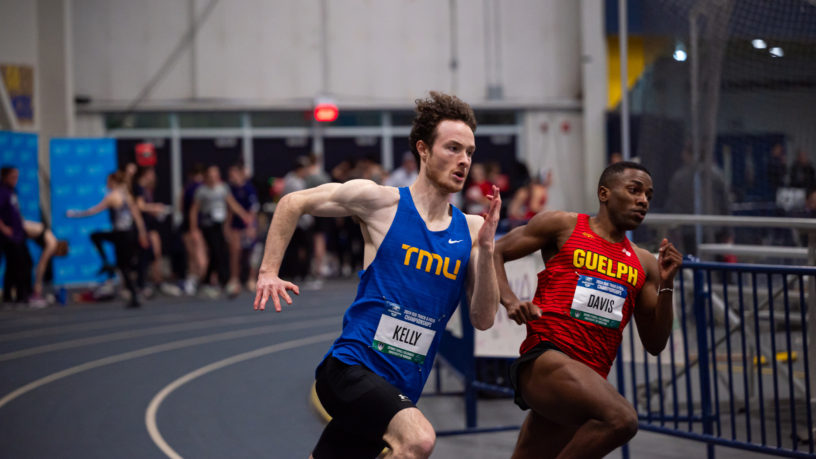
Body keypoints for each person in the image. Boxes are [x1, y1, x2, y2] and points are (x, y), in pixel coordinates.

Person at [254, 91, 501, 459]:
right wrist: (268, 271)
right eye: (452, 148)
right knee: (418, 440)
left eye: (469, 152)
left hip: (400, 388)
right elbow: (294, 202)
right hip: (351, 369)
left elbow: (483, 319)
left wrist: (488, 252)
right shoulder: (381, 204)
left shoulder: (471, 231)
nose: (463, 160)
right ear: (423, 149)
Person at [493, 161, 682, 459]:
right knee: (622, 419)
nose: (643, 200)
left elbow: (655, 344)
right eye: (634, 190)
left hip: (588, 376)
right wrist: (510, 300)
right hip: (547, 359)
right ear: (604, 194)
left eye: (648, 195)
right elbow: (496, 251)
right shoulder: (563, 226)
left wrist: (668, 286)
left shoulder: (645, 263)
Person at [67, 171, 149, 308]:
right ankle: (134, 294)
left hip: (121, 235)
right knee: (124, 267)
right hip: (129, 234)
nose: (106, 184)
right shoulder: (127, 194)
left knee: (96, 237)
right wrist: (142, 233)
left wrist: (75, 214)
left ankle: (107, 263)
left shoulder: (113, 196)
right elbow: (137, 216)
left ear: (112, 182)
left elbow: (93, 210)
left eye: (108, 182)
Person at [189, 165, 252, 298]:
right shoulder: (202, 191)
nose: (213, 177)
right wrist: (194, 229)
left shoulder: (222, 188)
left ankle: (219, 282)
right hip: (208, 225)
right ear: (207, 176)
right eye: (211, 174)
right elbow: (194, 210)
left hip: (220, 224)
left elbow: (232, 203)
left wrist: (243, 215)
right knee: (215, 251)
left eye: (215, 174)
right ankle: (209, 281)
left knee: (222, 253)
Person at [133, 167, 181, 297]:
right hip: (141, 227)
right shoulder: (138, 188)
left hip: (149, 226)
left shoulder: (147, 189)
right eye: (152, 173)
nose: (154, 176)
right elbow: (139, 206)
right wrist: (155, 207)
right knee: (144, 255)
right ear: (146, 174)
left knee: (154, 254)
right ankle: (140, 284)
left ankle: (156, 281)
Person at [0, 166, 34, 305]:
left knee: (15, 266)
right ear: (5, 177)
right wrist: (3, 228)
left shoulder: (12, 191)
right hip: (8, 236)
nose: (16, 180)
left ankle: (11, 296)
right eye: (13, 177)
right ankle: (20, 296)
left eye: (17, 177)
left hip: (18, 234)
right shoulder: (2, 191)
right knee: (20, 265)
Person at [225, 163, 260, 296]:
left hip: (248, 225)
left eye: (233, 174)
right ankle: (234, 279)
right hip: (235, 226)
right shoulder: (230, 189)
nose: (231, 177)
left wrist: (251, 226)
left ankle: (252, 279)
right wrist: (227, 227)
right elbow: (229, 211)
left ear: (240, 174)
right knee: (235, 252)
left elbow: (253, 210)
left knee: (252, 253)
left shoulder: (249, 188)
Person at [23, 220, 69, 307]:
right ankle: (32, 296)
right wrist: (38, 284)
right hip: (19, 229)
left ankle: (26, 294)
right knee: (26, 265)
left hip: (21, 229)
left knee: (27, 263)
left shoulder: (52, 239)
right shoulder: (52, 245)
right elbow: (42, 265)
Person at [179, 164, 207, 295]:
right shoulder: (196, 188)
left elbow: (181, 206)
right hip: (192, 227)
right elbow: (192, 211)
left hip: (192, 226)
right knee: (197, 257)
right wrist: (193, 229)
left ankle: (194, 280)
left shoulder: (189, 188)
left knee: (194, 256)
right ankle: (193, 280)